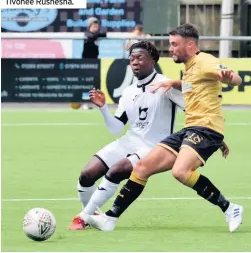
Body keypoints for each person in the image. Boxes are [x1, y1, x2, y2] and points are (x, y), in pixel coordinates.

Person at [81, 23, 244, 233]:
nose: (171, 49)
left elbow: (233, 78)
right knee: (141, 168)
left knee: (180, 171)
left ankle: (230, 208)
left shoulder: (205, 60)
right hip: (191, 129)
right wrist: (175, 83)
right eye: (170, 44)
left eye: (175, 44)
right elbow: (193, 86)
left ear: (190, 44)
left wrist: (231, 78)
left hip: (205, 129)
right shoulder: (190, 67)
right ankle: (110, 218)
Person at [69, 41, 185, 230]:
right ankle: (92, 213)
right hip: (129, 141)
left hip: (153, 147)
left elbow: (192, 110)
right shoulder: (129, 92)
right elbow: (116, 128)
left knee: (117, 170)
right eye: (132, 59)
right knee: (87, 174)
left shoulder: (166, 85)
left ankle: (83, 217)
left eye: (140, 57)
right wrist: (103, 108)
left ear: (152, 60)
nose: (135, 62)